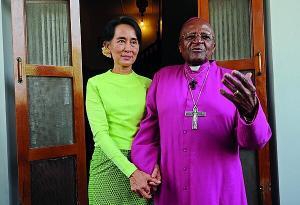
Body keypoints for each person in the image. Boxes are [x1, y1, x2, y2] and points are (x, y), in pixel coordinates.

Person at [130, 17, 272, 205]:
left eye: (205, 36)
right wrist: (148, 168)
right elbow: (147, 134)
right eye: (190, 36)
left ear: (213, 46)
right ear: (180, 46)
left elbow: (255, 141)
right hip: (173, 187)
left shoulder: (232, 81)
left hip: (220, 188)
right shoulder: (162, 79)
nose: (198, 41)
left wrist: (250, 113)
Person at [86, 16, 160, 205]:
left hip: (142, 164)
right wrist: (131, 172)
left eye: (133, 42)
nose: (128, 48)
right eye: (121, 41)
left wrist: (155, 163)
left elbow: (156, 131)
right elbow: (100, 135)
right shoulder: (95, 84)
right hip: (107, 165)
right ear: (107, 46)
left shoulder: (148, 85)